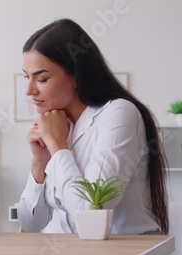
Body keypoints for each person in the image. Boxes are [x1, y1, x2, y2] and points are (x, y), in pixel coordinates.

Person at [17, 19, 168, 235]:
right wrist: (39, 162)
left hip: (128, 254)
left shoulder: (119, 114)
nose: (28, 90)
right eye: (26, 77)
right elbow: (31, 225)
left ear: (77, 75)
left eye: (41, 78)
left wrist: (58, 146)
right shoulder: (58, 125)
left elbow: (90, 217)